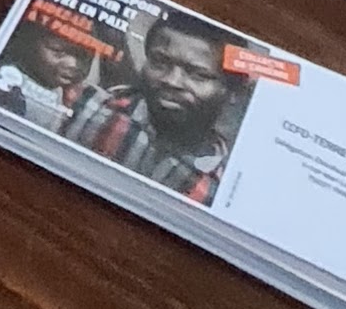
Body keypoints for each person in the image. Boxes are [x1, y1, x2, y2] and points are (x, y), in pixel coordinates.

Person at [72, 11, 251, 201]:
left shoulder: (222, 188)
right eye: (160, 62)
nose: (172, 81)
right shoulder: (85, 106)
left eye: (198, 75)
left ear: (234, 92)